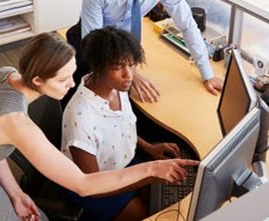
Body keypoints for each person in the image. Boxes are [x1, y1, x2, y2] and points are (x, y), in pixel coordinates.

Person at [0, 33, 194, 221]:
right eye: (63, 80)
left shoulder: (5, 74)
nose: (71, 85)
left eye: (72, 73)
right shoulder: (16, 123)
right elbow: (83, 185)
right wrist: (151, 168)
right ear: (38, 79)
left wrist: (16, 192)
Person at [67, 0, 223, 104]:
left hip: (125, 41)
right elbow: (94, 44)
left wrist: (207, 74)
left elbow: (187, 25)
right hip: (92, 42)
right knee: (86, 95)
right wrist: (130, 73)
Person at [62, 27, 181, 221]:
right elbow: (90, 186)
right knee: (146, 213)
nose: (129, 75)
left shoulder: (117, 88)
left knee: (162, 198)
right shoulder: (81, 116)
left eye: (132, 65)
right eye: (118, 67)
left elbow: (122, 127)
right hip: (96, 186)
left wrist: (148, 147)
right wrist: (147, 175)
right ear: (97, 66)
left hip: (122, 166)